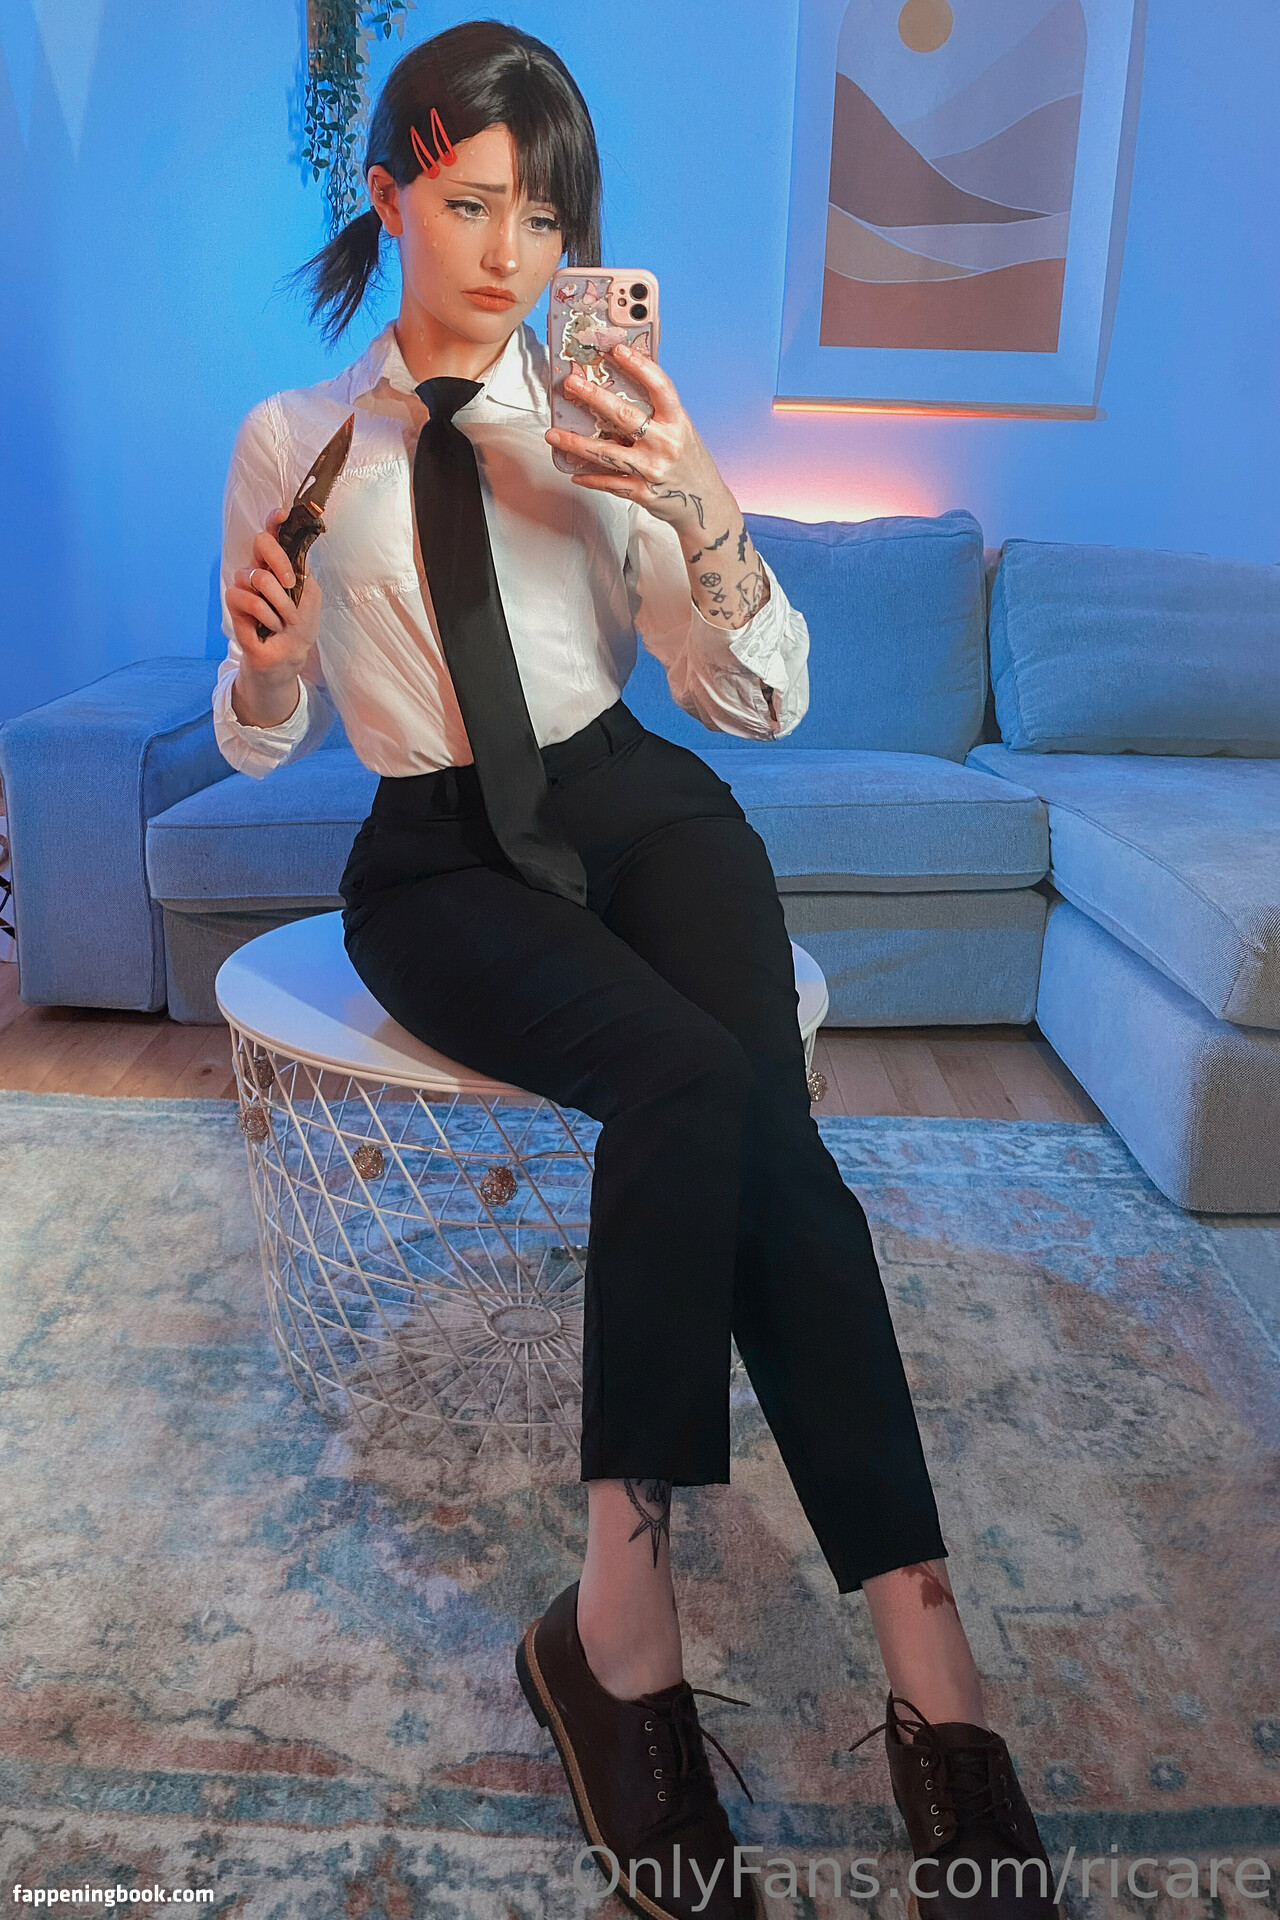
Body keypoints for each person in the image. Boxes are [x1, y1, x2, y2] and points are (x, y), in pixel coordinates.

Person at [213, 21, 1060, 1920]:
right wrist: (263, 663)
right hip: (433, 853)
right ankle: (622, 1623)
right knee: (688, 1081)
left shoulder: (603, 416)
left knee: (768, 1130)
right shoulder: (294, 440)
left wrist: (698, 504)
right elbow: (262, 731)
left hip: (638, 801)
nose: (510, 255)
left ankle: (934, 1671)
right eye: (471, 205)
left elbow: (751, 698)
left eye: (547, 219)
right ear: (391, 192)